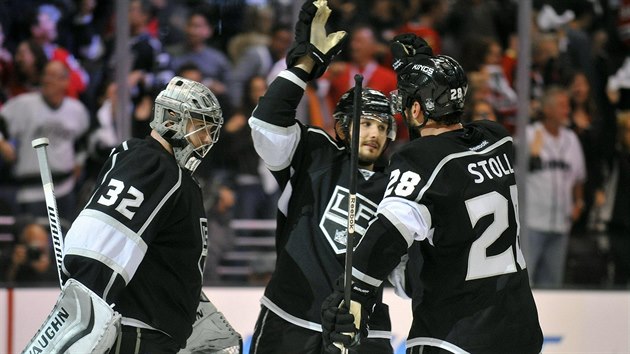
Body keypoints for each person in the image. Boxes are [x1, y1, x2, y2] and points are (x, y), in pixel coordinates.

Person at [321, 34, 543, 354]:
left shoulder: (421, 160)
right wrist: (423, 70)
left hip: (455, 335)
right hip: (520, 330)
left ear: (415, 108)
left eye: (408, 101)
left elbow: (387, 234)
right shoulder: (497, 139)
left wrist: (354, 293)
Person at [22, 76, 241, 354]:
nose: (207, 139)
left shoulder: (168, 173)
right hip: (140, 334)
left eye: (211, 130)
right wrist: (85, 305)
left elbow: (165, 260)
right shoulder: (153, 165)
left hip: (153, 333)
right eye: (200, 126)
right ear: (171, 119)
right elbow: (98, 243)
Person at [247, 1, 396, 352]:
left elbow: (404, 272)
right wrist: (304, 66)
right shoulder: (315, 152)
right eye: (365, 123)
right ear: (342, 129)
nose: (374, 133)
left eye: (382, 126)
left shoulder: (398, 184)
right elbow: (265, 125)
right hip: (290, 316)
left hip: (362, 329)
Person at [525, 86, 586, 288]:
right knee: (525, 281)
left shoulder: (572, 139)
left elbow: (578, 177)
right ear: (547, 109)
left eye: (567, 106)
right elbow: (514, 174)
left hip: (561, 223)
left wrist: (578, 202)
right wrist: (531, 157)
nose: (567, 110)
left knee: (552, 284)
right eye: (562, 106)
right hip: (532, 222)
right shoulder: (529, 135)